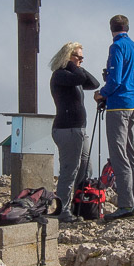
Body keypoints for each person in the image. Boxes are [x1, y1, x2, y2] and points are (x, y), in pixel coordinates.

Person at [98, 15, 134, 219]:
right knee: (131, 151)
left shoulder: (116, 48)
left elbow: (115, 80)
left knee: (118, 154)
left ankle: (126, 205)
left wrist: (102, 93)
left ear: (111, 29)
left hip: (118, 106)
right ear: (128, 27)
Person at [48, 40, 100, 222]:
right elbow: (79, 78)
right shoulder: (60, 75)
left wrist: (78, 66)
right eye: (78, 57)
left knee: (86, 167)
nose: (81, 61)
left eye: (82, 58)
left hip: (78, 130)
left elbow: (94, 83)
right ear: (67, 56)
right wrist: (71, 64)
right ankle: (63, 211)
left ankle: (77, 206)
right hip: (67, 129)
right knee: (70, 170)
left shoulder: (72, 76)